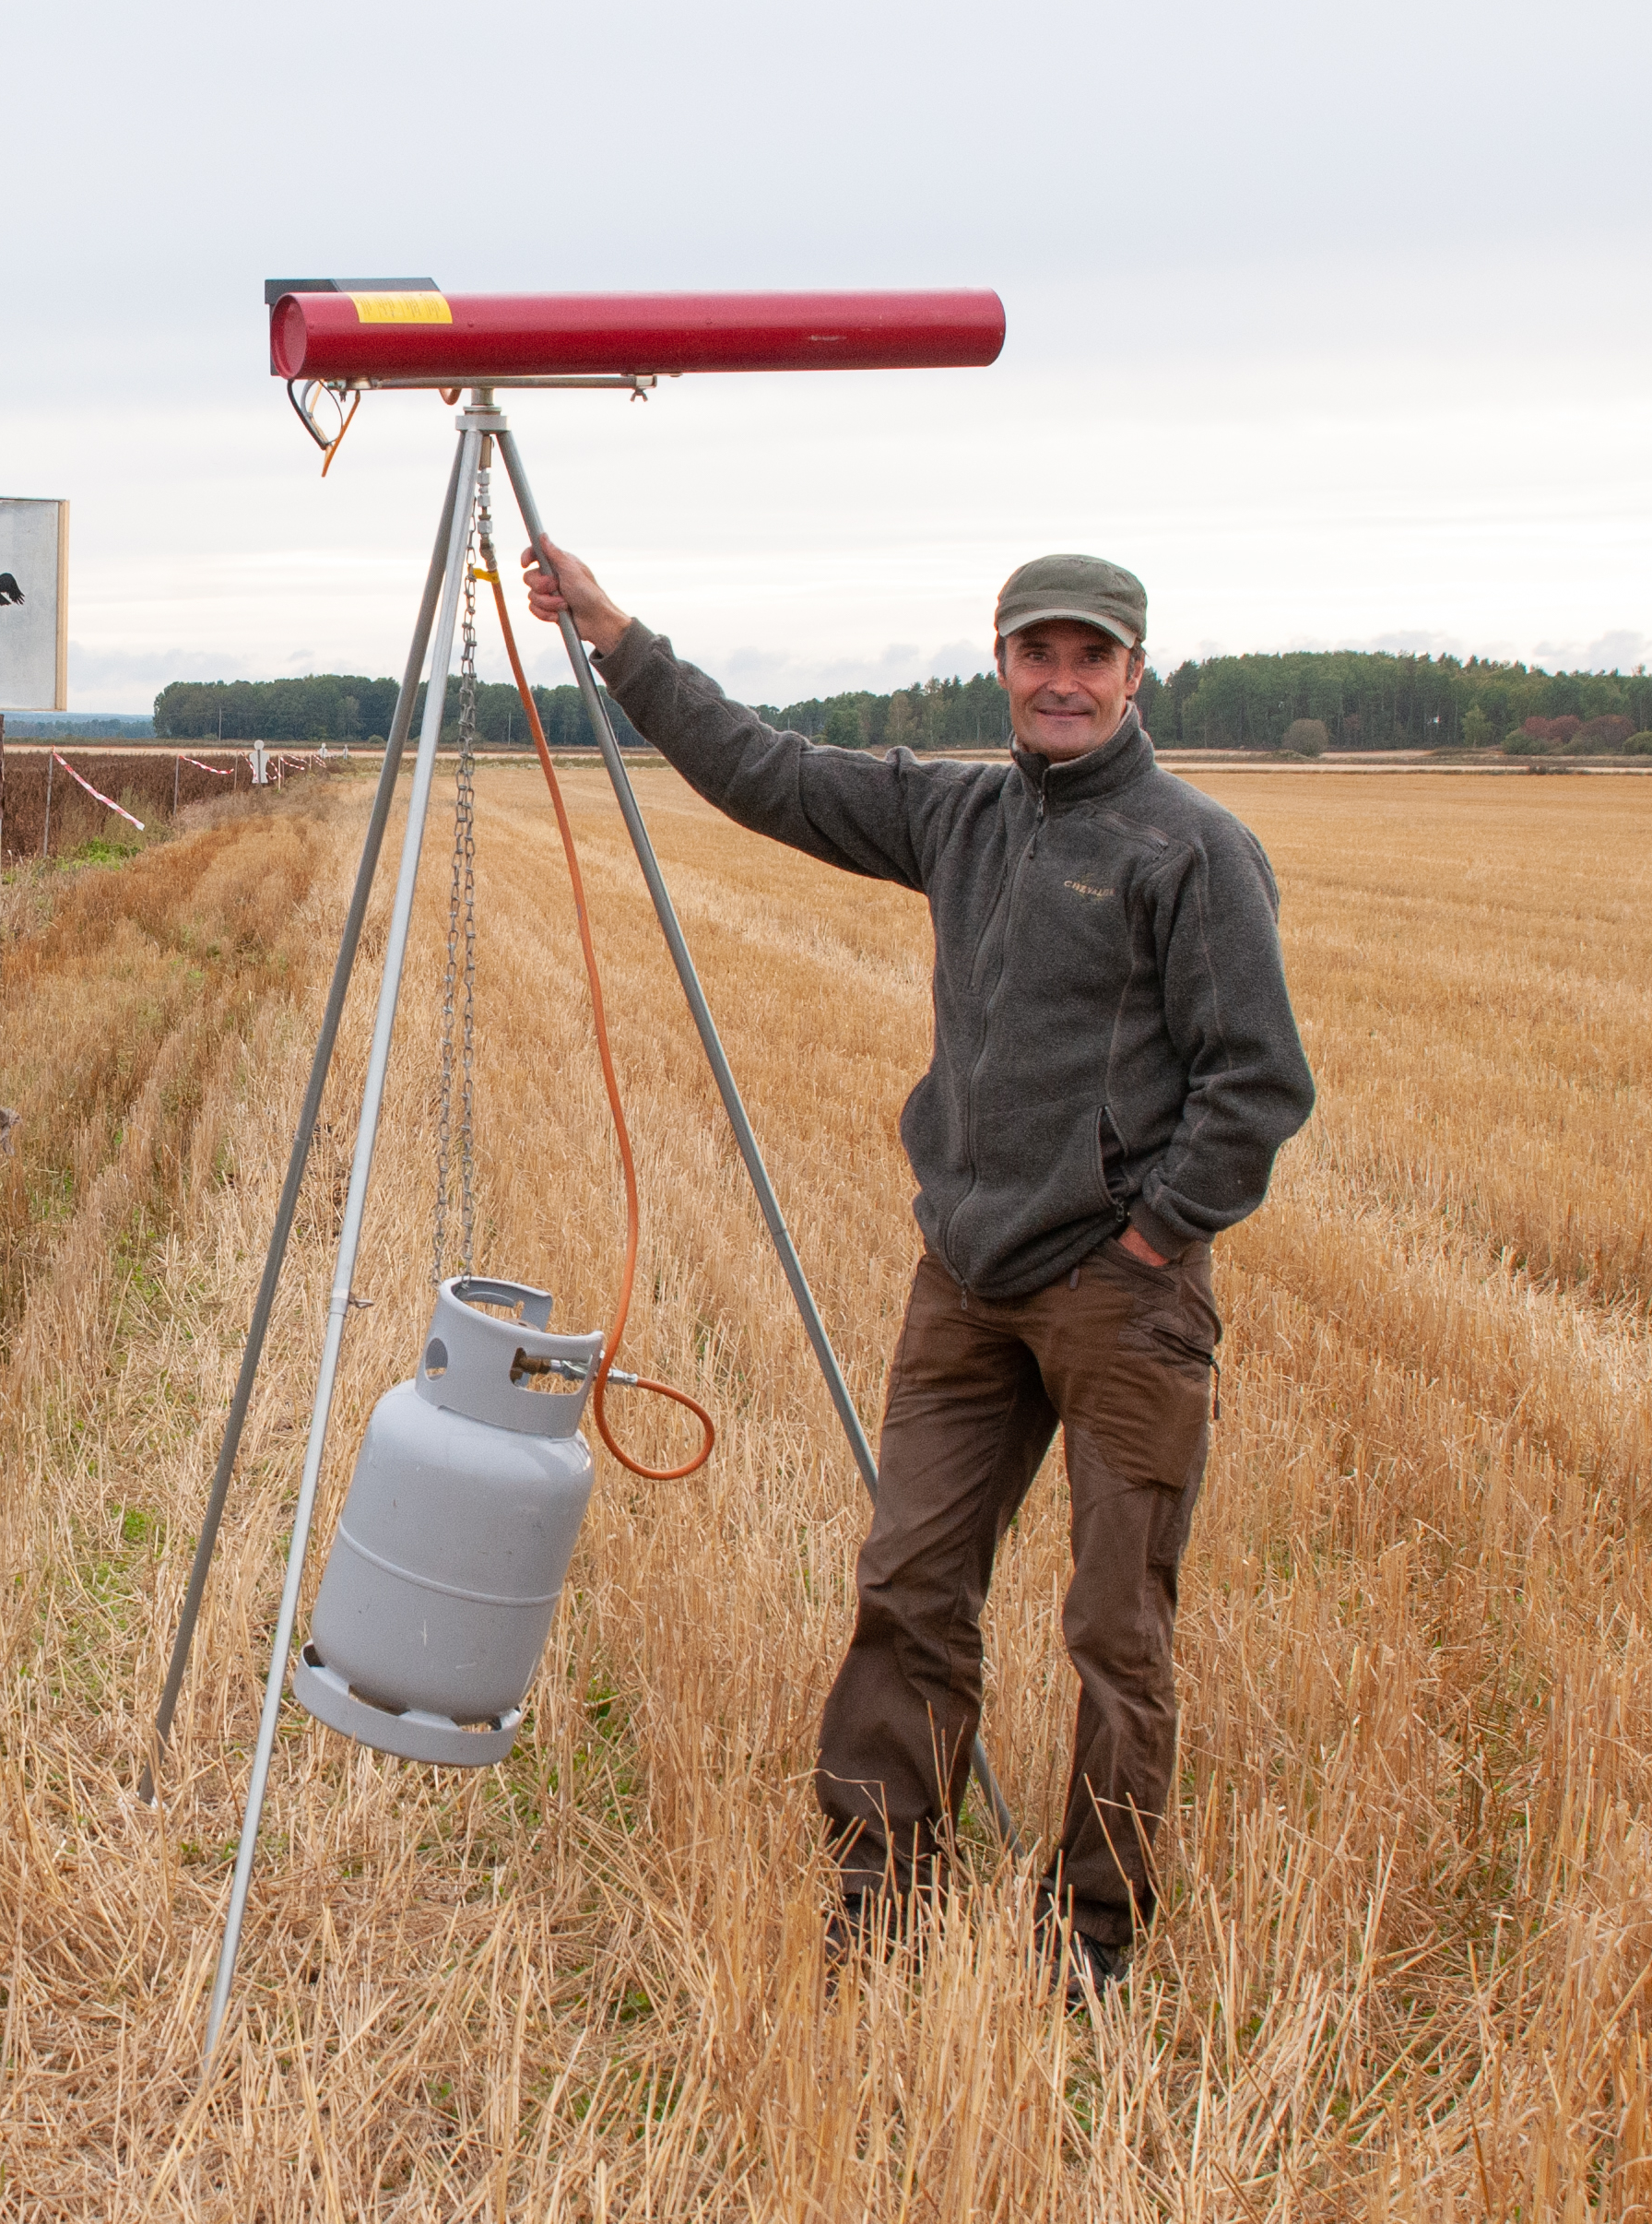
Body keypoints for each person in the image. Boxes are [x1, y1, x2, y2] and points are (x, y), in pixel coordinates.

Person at [521, 544, 1315, 2000]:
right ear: (1000, 662)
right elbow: (763, 770)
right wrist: (616, 636)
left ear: (1136, 674)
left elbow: (1257, 1083)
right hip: (967, 1282)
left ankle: (1096, 1928)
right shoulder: (958, 813)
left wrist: (1150, 1236)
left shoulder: (1189, 849)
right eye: (1038, 653)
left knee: (1116, 1626)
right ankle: (881, 1884)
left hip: (1121, 1300)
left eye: (1091, 657)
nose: (1062, 682)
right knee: (909, 1582)